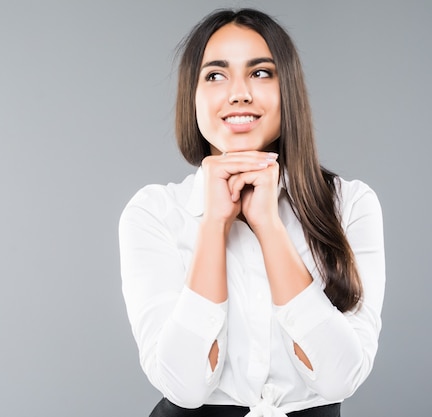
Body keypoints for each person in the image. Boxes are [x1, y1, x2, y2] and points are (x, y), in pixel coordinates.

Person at [118, 7, 385, 417]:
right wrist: (214, 224)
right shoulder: (154, 213)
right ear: (192, 96)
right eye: (215, 75)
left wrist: (268, 225)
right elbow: (184, 387)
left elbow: (340, 379)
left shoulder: (349, 205)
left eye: (261, 73)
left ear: (288, 90)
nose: (238, 92)